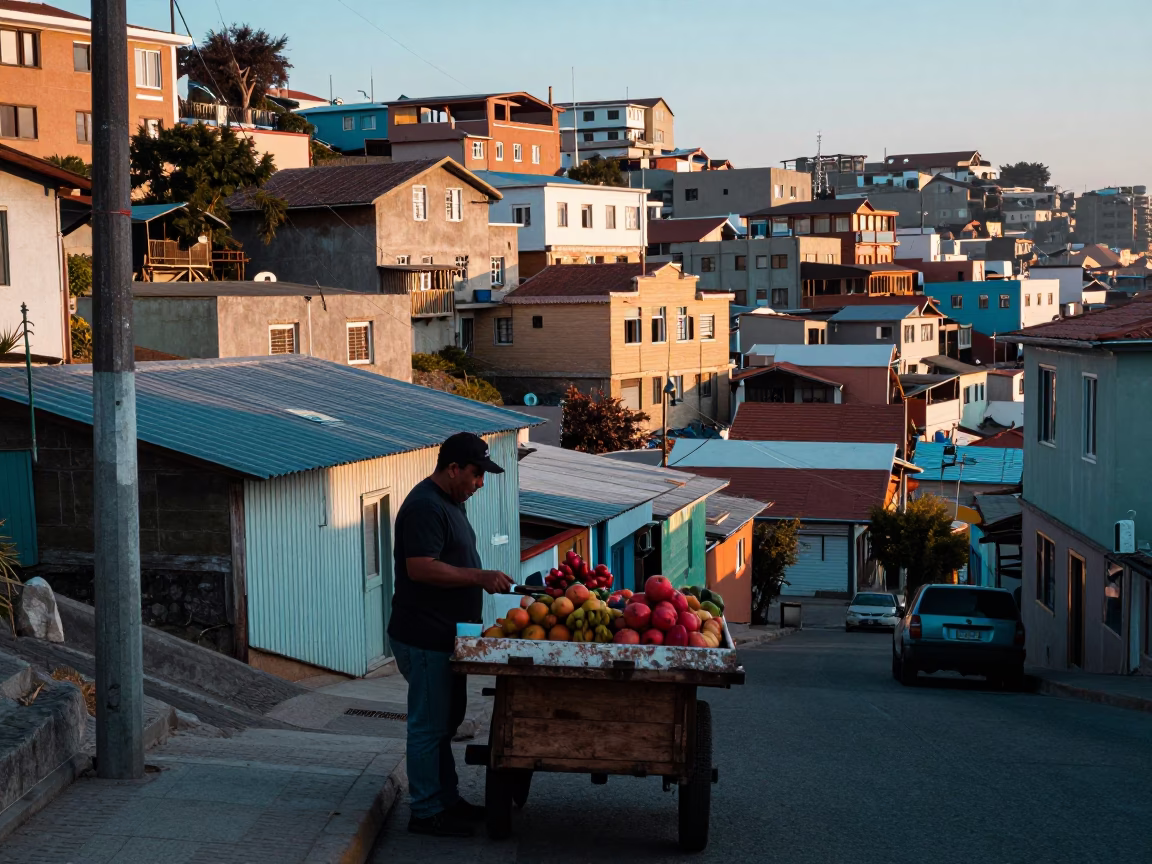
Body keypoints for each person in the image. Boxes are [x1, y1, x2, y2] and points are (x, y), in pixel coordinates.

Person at [387, 431, 513, 837]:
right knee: (427, 726)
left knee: (445, 722)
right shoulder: (425, 505)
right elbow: (420, 567)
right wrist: (479, 575)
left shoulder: (449, 502)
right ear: (453, 468)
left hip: (446, 637)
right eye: (476, 474)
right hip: (424, 636)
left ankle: (447, 799)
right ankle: (425, 812)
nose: (480, 483)